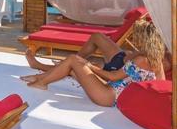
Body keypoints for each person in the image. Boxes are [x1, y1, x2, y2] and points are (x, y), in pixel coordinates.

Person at [21, 20, 168, 107]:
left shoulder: (140, 59)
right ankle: (41, 77)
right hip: (114, 91)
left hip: (109, 96)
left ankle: (41, 81)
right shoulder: (157, 60)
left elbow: (113, 77)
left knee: (74, 60)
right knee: (74, 68)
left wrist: (90, 66)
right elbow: (161, 84)